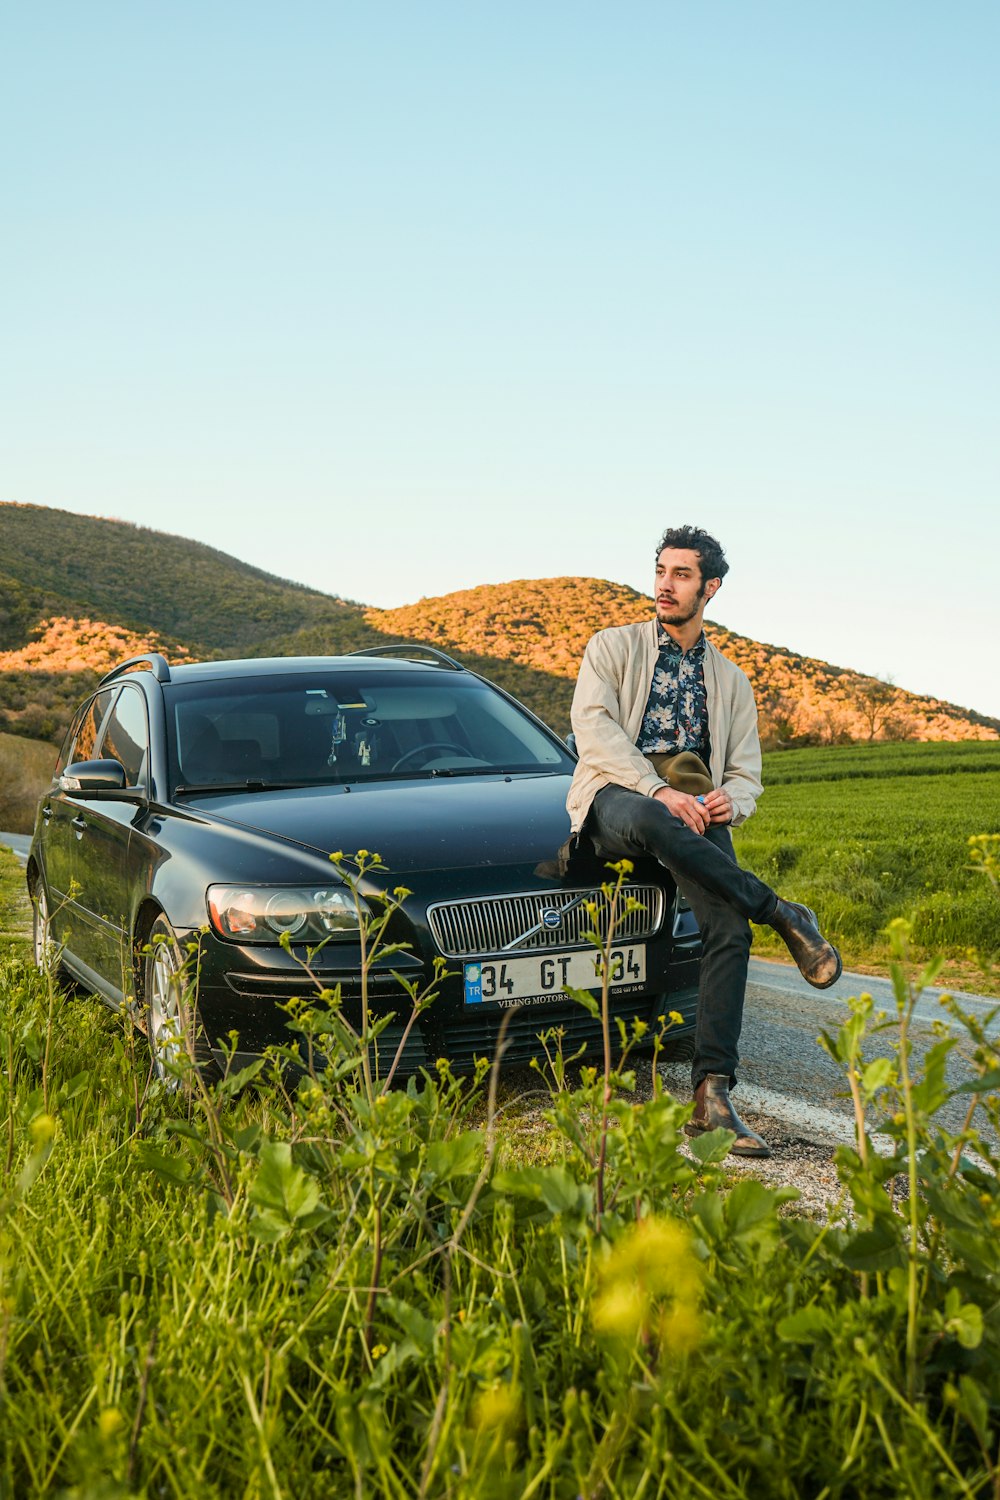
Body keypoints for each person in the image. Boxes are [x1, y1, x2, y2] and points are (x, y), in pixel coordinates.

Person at [566, 524, 841, 1158]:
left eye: (681, 574)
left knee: (728, 929)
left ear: (709, 588)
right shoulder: (611, 647)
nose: (665, 584)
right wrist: (655, 789)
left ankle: (712, 1096)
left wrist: (728, 801)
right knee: (657, 816)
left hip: (694, 807)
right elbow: (594, 731)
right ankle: (782, 912)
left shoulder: (733, 682)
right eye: (661, 570)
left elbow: (745, 772)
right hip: (617, 798)